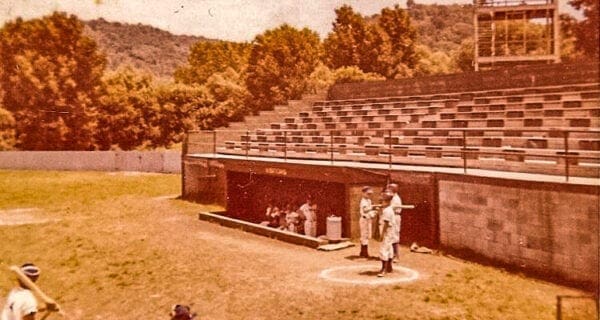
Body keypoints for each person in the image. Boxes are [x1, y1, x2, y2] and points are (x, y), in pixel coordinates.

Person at [378, 192, 396, 277]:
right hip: (390, 231)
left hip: (387, 231)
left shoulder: (387, 210)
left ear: (387, 201)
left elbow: (385, 223)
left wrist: (381, 235)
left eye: (383, 201)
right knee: (389, 248)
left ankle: (383, 269)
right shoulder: (388, 209)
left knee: (384, 249)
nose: (382, 202)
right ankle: (389, 267)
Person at [358, 186, 377, 258]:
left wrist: (374, 211)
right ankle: (364, 252)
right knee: (364, 235)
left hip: (368, 219)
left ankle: (363, 252)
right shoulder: (363, 201)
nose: (369, 195)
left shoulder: (368, 200)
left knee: (367, 235)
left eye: (370, 194)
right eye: (367, 194)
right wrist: (373, 207)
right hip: (364, 219)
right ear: (363, 193)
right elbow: (365, 210)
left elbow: (370, 210)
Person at [387, 183, 403, 262]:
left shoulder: (396, 198)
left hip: (395, 216)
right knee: (391, 235)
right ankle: (392, 254)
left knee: (395, 236)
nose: (388, 191)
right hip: (392, 216)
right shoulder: (392, 197)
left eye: (390, 189)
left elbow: (390, 208)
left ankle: (396, 255)